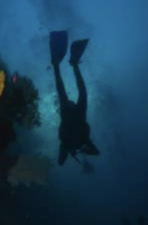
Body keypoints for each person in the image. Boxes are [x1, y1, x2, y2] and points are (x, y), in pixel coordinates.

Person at [49, 31, 100, 165]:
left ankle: (69, 65)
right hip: (78, 120)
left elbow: (60, 162)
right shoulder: (81, 141)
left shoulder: (70, 144)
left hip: (72, 121)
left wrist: (72, 149)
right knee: (80, 92)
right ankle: (73, 65)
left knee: (71, 93)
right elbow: (96, 152)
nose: (71, 101)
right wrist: (79, 149)